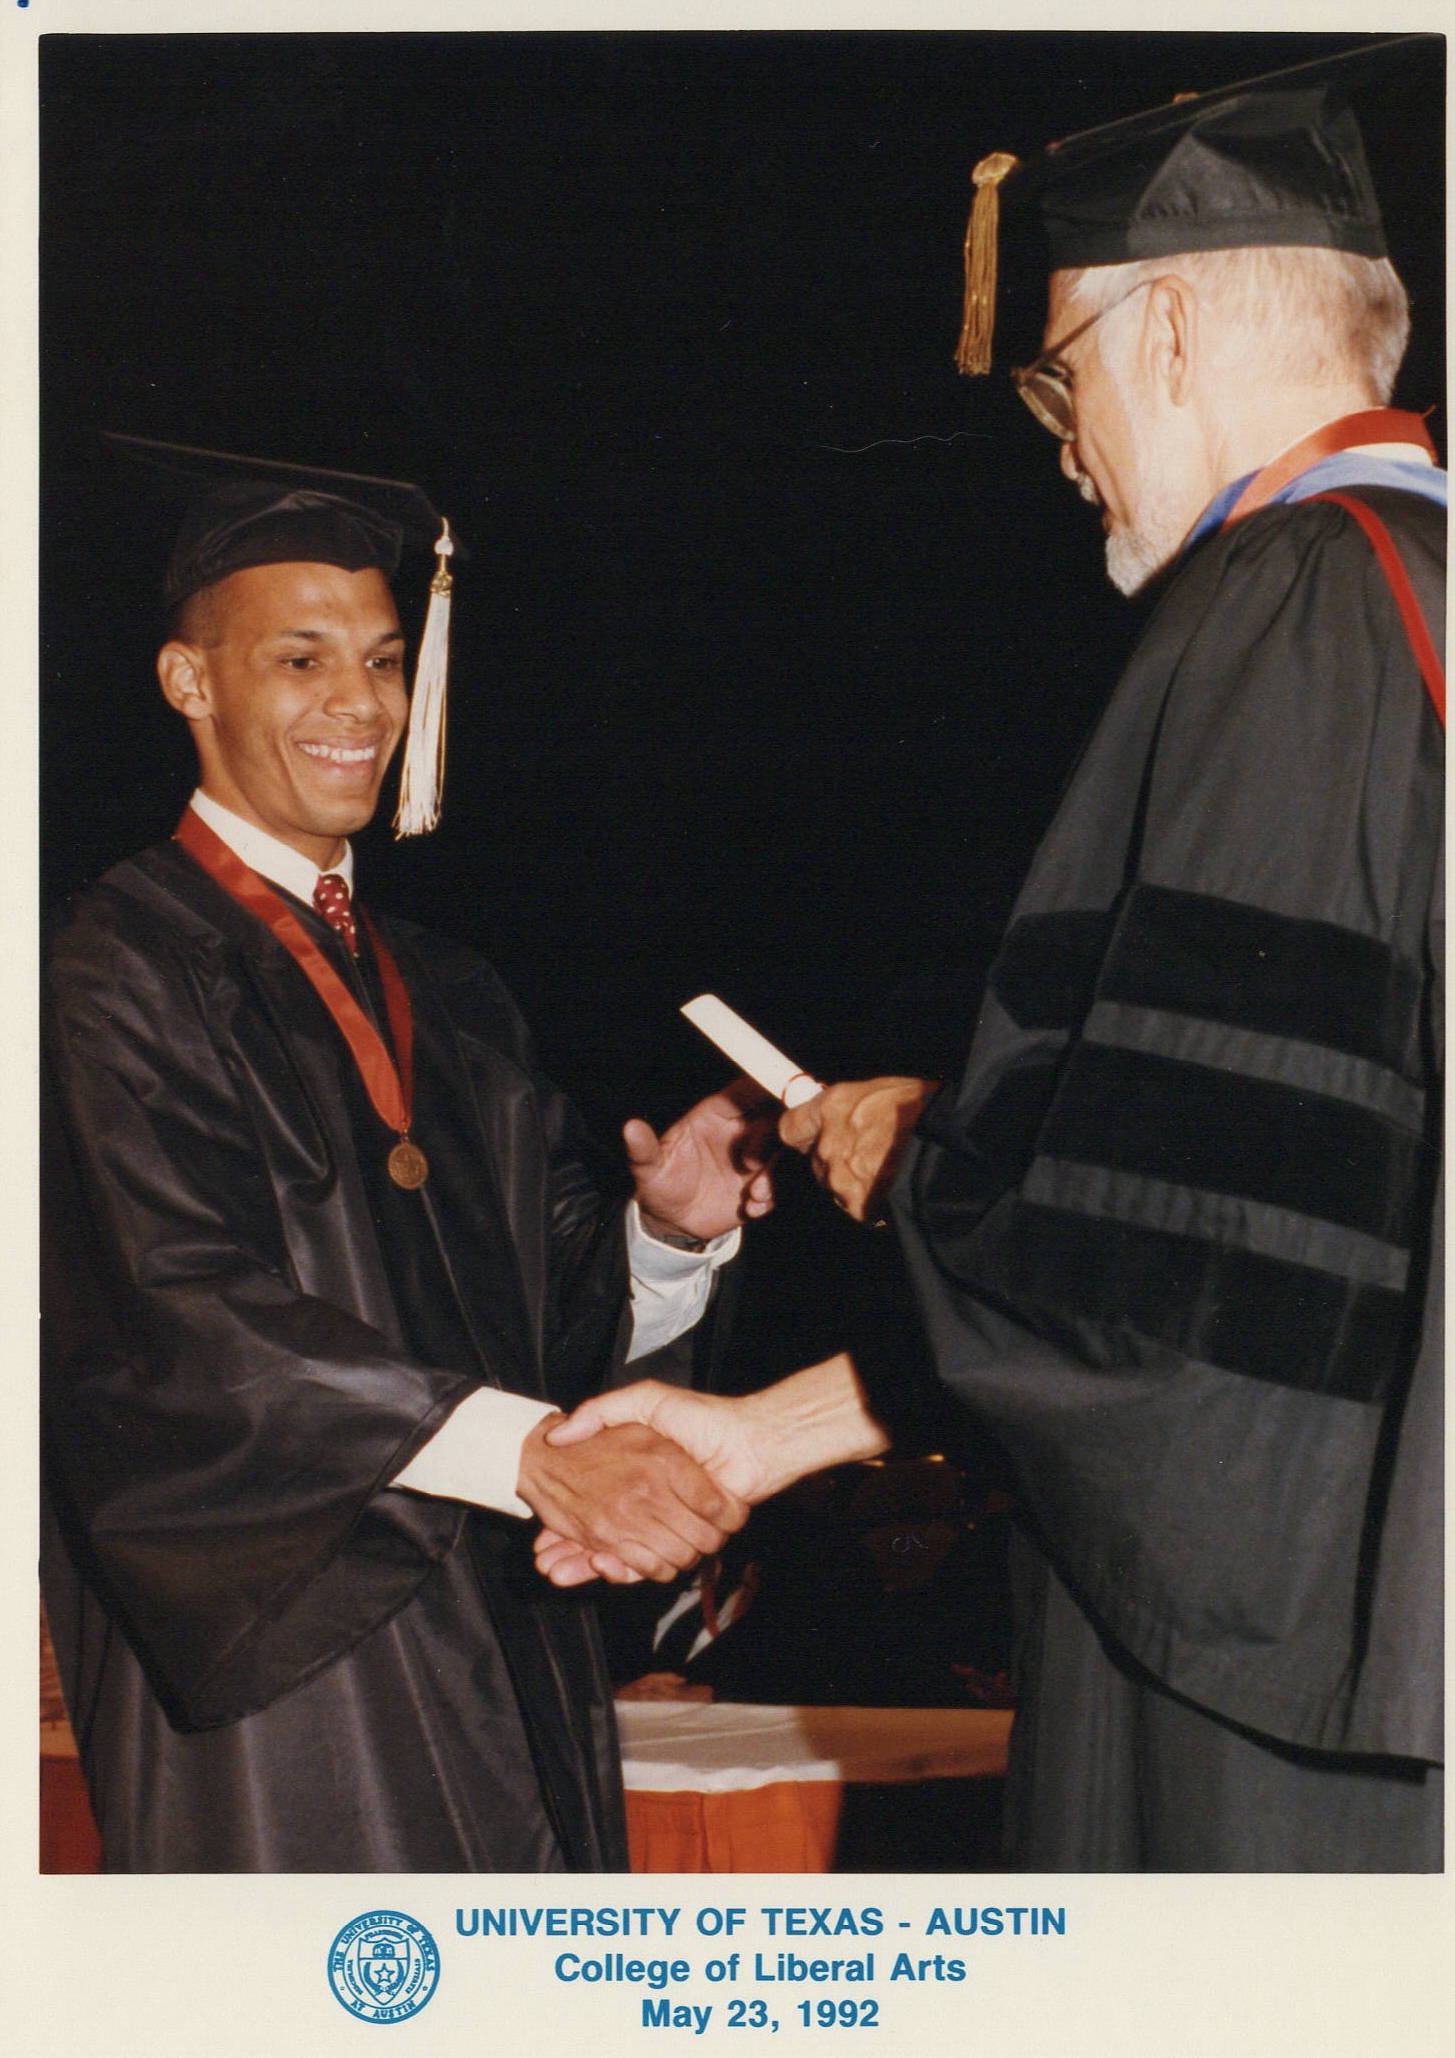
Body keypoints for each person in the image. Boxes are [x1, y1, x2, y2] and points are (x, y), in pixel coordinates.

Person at [538, 43, 1444, 1870]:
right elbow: (1260, 1224)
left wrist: (922, 1171)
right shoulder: (1407, 588)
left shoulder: (1293, 606)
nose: (1061, 440)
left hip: (1273, 1677)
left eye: (1064, 370)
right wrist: (770, 1432)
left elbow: (1192, 1260)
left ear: (1172, 332)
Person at [41, 445, 775, 1872]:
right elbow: (169, 1315)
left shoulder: (452, 988)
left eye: (382, 660)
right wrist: (535, 1456)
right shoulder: (105, 970)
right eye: (301, 659)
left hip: (511, 1620)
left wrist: (664, 1235)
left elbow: (541, 1298)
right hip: (291, 1647)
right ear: (189, 682)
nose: (360, 705)